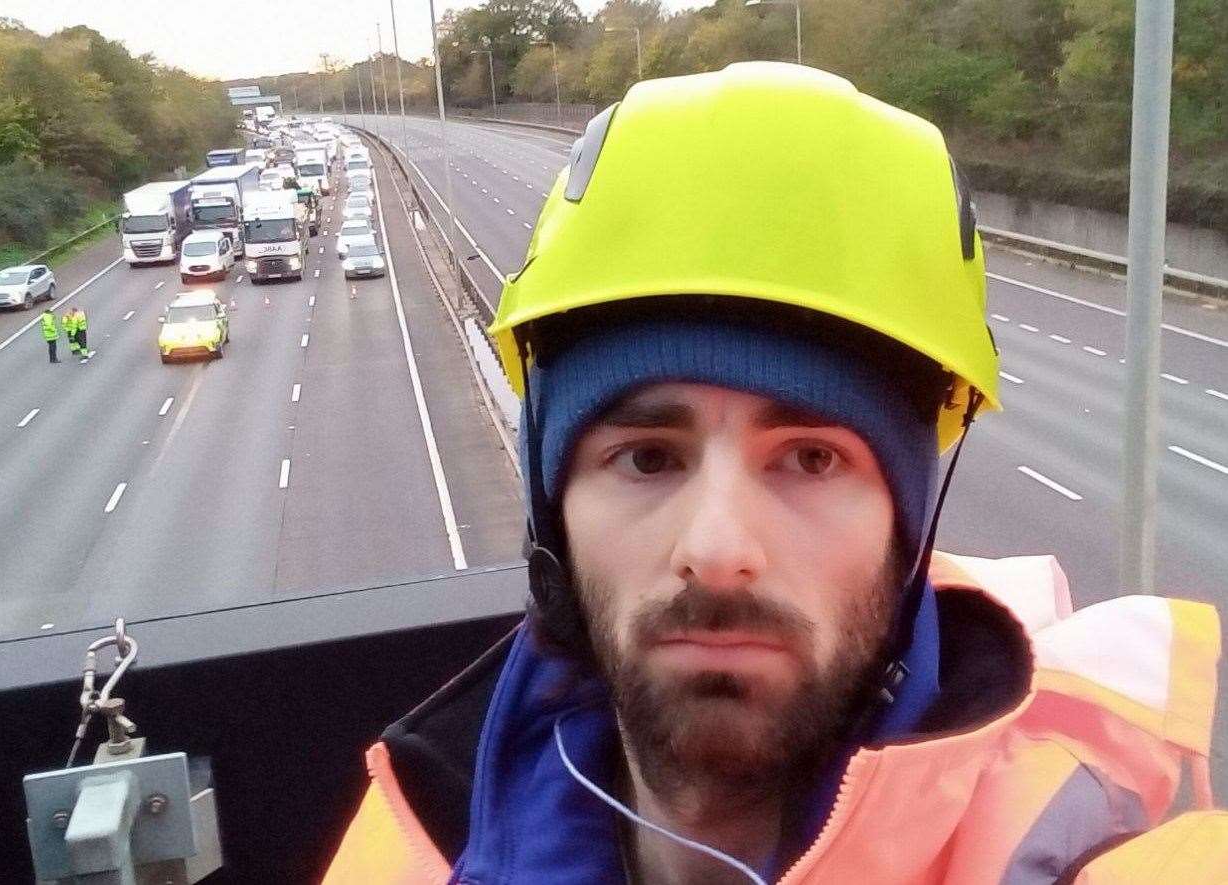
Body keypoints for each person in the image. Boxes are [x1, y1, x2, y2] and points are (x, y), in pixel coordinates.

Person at [325, 63, 1225, 884]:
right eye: (647, 457)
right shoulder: (406, 850)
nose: (717, 550)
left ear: (908, 531)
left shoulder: (1084, 848)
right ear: (551, 514)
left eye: (810, 457)